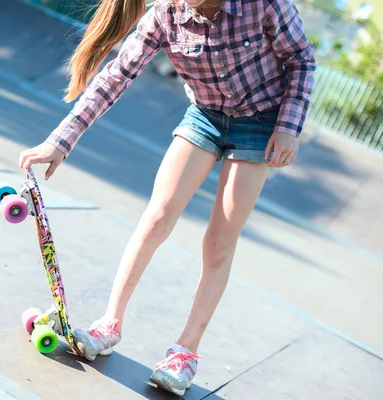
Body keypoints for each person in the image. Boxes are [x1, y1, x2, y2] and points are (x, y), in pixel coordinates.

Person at [19, 0, 316, 395]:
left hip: (261, 123)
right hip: (205, 116)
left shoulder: (263, 4)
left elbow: (302, 60)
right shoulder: (165, 14)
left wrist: (289, 126)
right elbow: (116, 77)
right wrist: (61, 141)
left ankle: (185, 353)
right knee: (157, 216)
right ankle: (109, 322)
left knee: (219, 242)